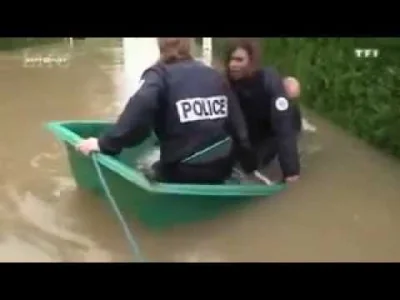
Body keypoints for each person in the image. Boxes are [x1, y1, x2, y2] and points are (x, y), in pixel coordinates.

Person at [76, 38, 255, 184]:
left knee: (148, 166)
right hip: (221, 169)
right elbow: (240, 131)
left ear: (160, 46)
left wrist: (104, 144)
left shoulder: (160, 74)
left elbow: (140, 111)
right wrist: (249, 166)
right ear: (189, 46)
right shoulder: (216, 76)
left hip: (182, 172)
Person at [223, 38, 301, 183]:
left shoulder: (269, 81)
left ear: (251, 61)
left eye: (239, 60)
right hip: (251, 135)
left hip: (273, 134)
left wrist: (291, 171)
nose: (232, 64)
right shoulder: (226, 84)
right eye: (230, 59)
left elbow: (283, 126)